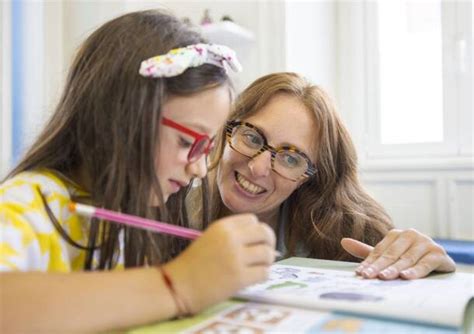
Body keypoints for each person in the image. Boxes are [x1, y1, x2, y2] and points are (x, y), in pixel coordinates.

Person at [0, 10, 276, 332]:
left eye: (208, 148)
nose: (199, 168)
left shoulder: (125, 207)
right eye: (188, 141)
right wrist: (178, 285)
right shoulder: (25, 206)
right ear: (120, 119)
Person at [194, 72, 455, 281]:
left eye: (290, 158)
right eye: (252, 137)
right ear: (227, 129)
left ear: (310, 177)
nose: (258, 168)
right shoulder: (169, 202)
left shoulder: (346, 231)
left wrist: (429, 267)